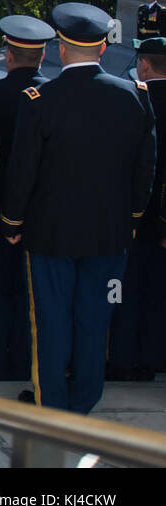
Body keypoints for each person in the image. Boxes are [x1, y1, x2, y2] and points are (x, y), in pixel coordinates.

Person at [1, 3, 157, 413]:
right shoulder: (133, 96)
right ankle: (84, 403)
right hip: (110, 232)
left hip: (49, 232)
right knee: (95, 319)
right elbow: (146, 166)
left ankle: (52, 402)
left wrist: (12, 221)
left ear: (62, 49)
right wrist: (134, 218)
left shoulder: (39, 99)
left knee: (51, 321)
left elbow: (23, 170)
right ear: (103, 49)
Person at [0, 15, 54, 382]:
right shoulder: (55, 95)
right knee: (32, 298)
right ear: (44, 55)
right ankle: (26, 366)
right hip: (40, 216)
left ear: (8, 55)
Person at [108, 36, 166, 380]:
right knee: (159, 291)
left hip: (132, 213)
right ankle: (153, 357)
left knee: (124, 290)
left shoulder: (132, 100)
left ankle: (122, 359)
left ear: (144, 64)